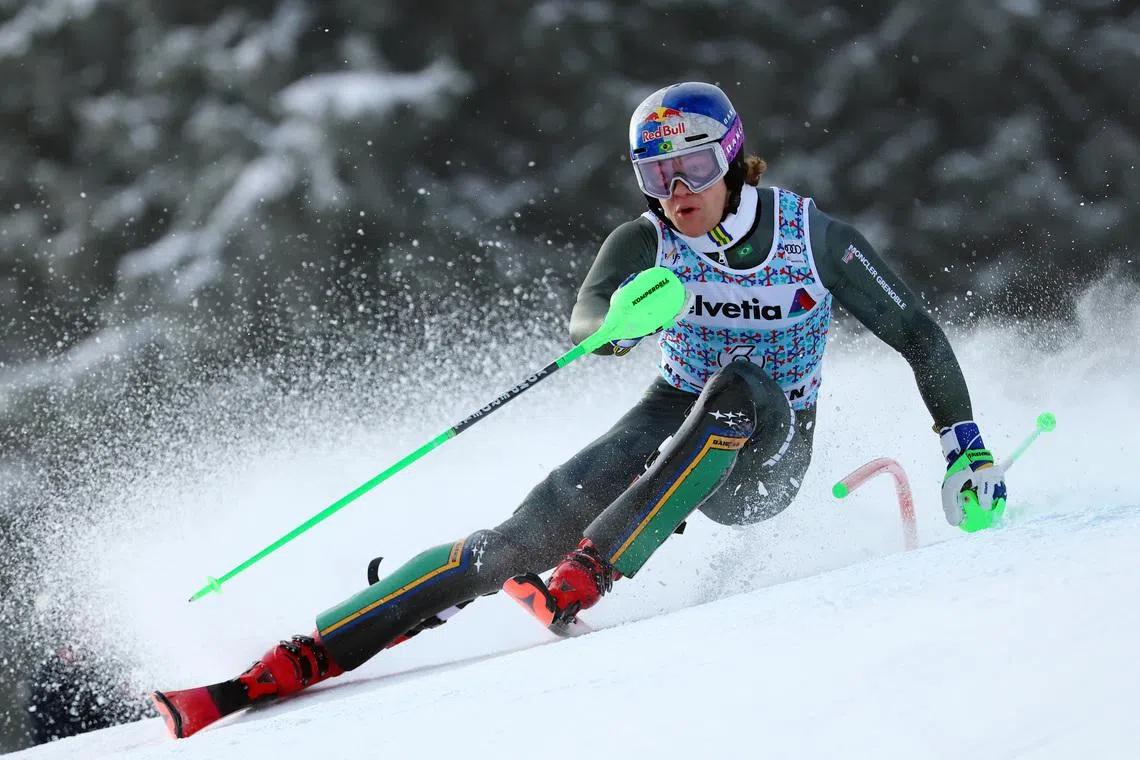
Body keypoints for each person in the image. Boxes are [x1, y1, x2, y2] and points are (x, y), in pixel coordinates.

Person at [151, 82, 1007, 738]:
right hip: (666, 418)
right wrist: (620, 322)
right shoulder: (648, 242)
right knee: (514, 538)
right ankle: (295, 660)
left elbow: (919, 332)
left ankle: (593, 567)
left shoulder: (807, 235)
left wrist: (962, 446)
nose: (677, 191)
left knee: (741, 381)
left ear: (735, 158)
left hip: (765, 453)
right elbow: (588, 320)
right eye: (656, 175)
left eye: (695, 168)